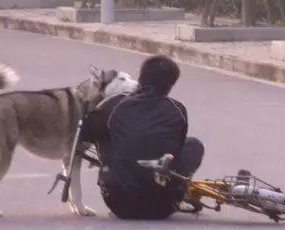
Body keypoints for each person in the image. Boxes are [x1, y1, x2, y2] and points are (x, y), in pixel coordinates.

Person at [82, 55, 204, 219]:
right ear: (170, 86)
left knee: (105, 134)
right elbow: (178, 148)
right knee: (194, 145)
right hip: (163, 206)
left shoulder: (114, 105)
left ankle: (118, 180)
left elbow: (85, 133)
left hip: (117, 202)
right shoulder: (177, 110)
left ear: (140, 78)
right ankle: (177, 190)